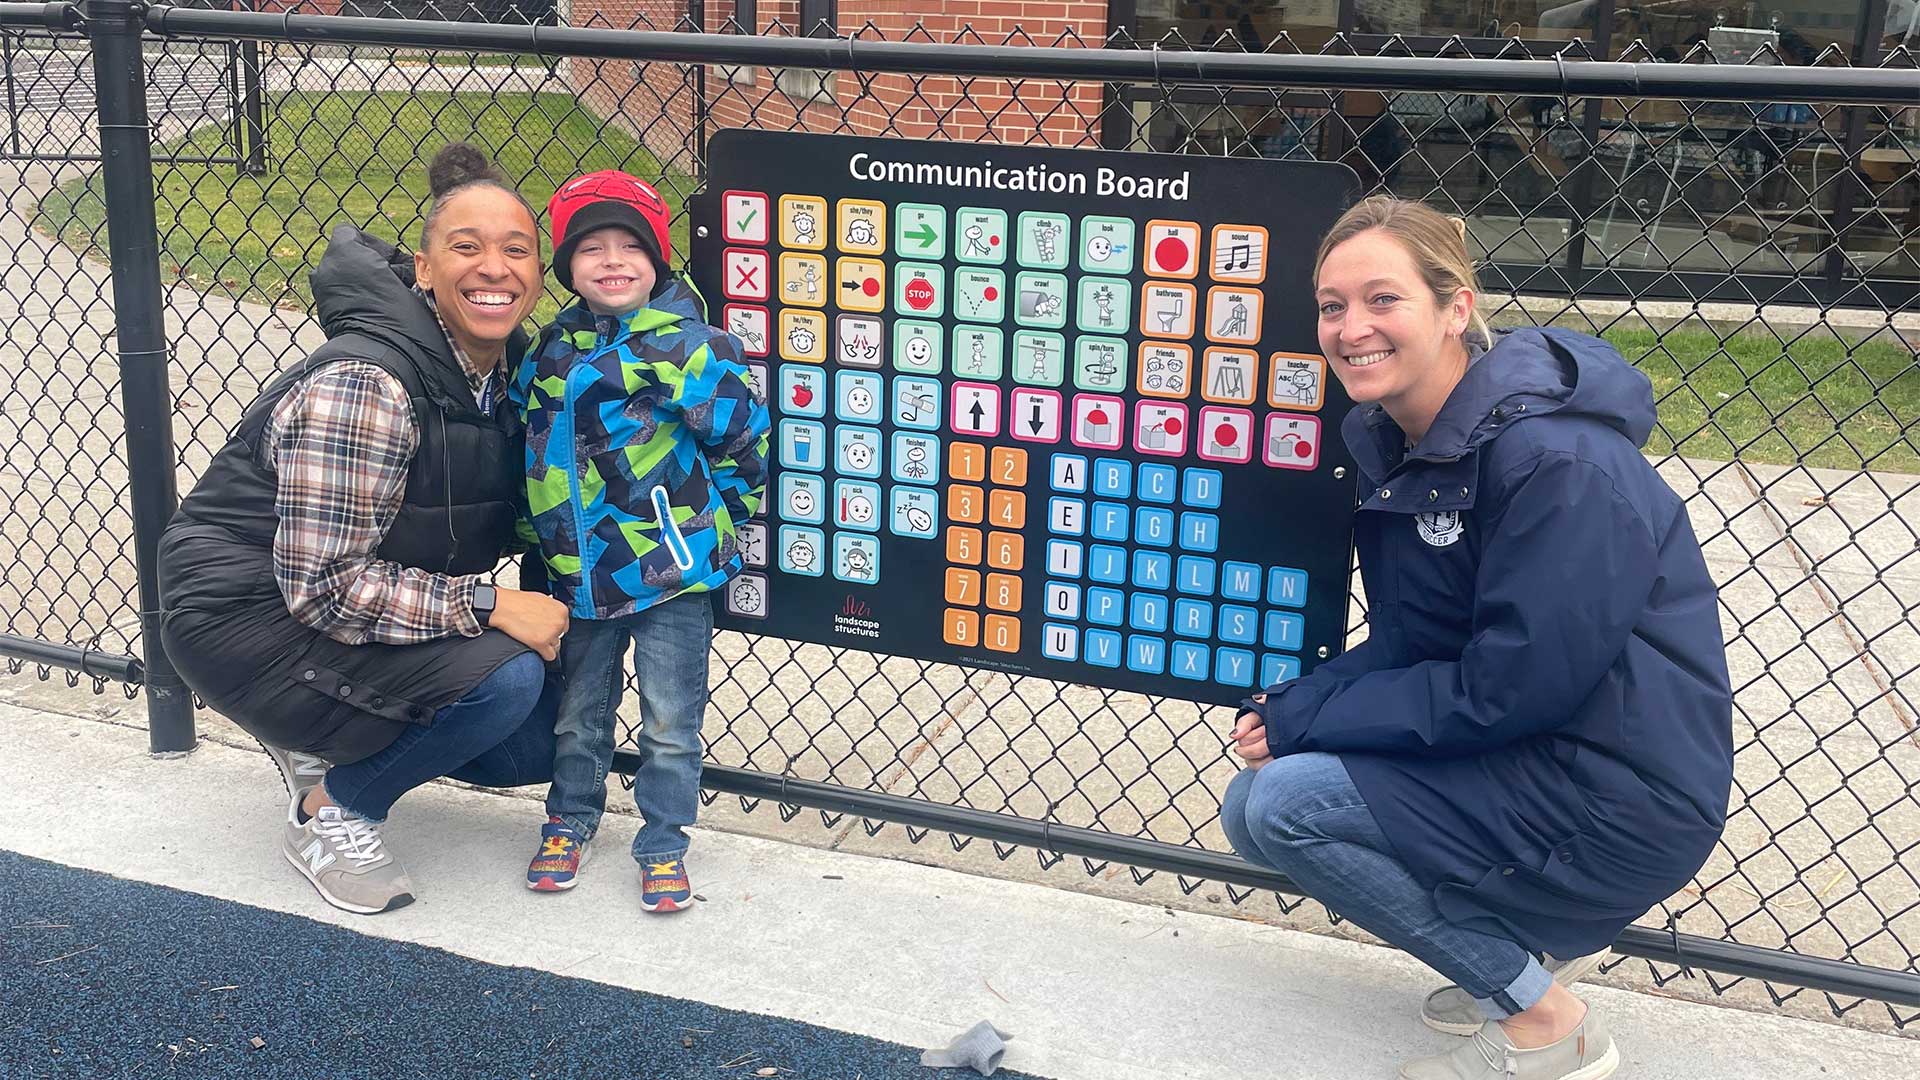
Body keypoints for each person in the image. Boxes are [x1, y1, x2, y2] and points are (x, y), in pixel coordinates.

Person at [1222, 196, 1732, 1080]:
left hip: (1619, 793)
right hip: (1537, 752)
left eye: (1385, 300)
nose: (1351, 328)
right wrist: (1297, 705)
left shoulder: (1558, 461)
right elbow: (1416, 641)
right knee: (1251, 804)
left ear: (1456, 308)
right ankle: (1510, 960)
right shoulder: (1395, 438)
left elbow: (1513, 686)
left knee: (1287, 805)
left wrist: (1320, 729)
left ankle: (1549, 1023)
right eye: (1333, 305)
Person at [156, 143, 571, 915]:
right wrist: (490, 606)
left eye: (517, 250)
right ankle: (332, 810)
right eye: (467, 248)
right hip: (245, 620)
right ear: (422, 269)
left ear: (538, 274)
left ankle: (319, 735)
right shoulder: (369, 385)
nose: (495, 268)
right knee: (504, 679)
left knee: (540, 736)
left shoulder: (506, 375)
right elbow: (325, 588)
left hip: (344, 607)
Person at [511, 170, 769, 910]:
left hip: (671, 579)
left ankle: (663, 843)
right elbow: (534, 451)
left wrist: (706, 528)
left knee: (670, 722)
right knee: (578, 711)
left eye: (631, 245)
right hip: (576, 576)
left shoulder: (694, 348)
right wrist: (541, 537)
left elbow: (742, 447)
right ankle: (570, 820)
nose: (614, 260)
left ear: (658, 260)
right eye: (592, 248)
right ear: (568, 266)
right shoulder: (551, 351)